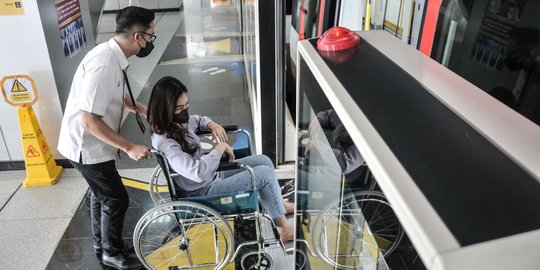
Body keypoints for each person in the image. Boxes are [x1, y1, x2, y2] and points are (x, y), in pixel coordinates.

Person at [57, 6, 156, 269]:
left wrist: (136, 106)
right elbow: (89, 120)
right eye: (150, 36)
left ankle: (103, 246)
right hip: (86, 146)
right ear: (138, 37)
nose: (151, 42)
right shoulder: (104, 62)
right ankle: (111, 252)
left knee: (101, 195)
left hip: (96, 143)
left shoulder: (113, 54)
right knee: (115, 199)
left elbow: (106, 94)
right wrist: (130, 146)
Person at [147, 76, 295, 241]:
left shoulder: (176, 122)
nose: (185, 111)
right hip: (202, 191)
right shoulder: (166, 143)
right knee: (264, 175)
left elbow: (198, 120)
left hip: (212, 176)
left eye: (187, 104)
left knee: (264, 161)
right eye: (179, 108)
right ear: (165, 109)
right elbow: (197, 173)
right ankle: (284, 230)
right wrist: (219, 148)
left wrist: (212, 125)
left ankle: (279, 205)